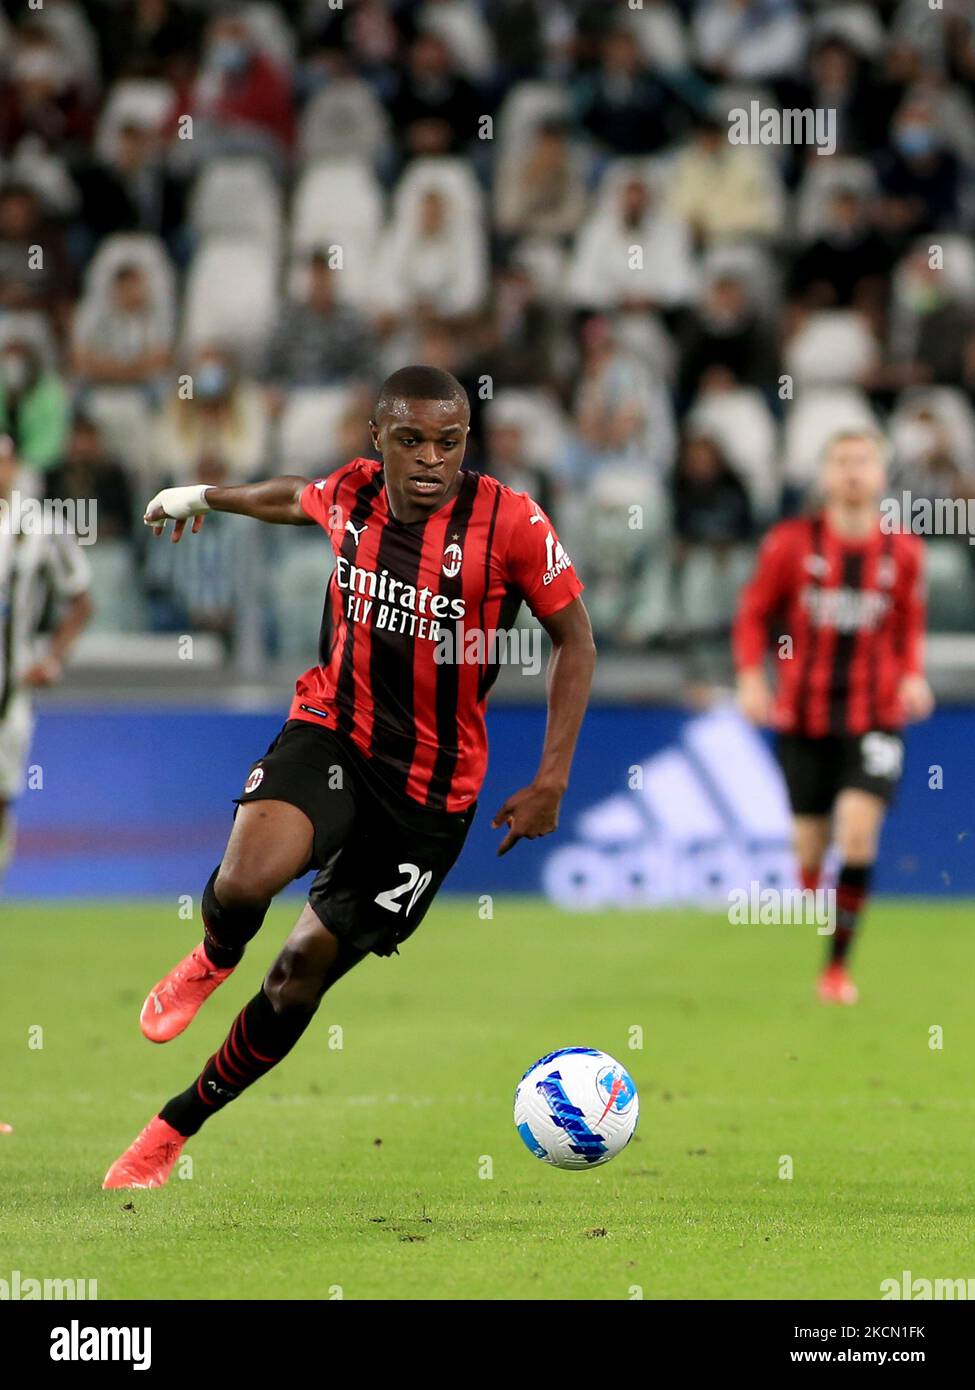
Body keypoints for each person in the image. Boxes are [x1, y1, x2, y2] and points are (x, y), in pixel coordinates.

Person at [103, 365, 596, 1189]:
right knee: (246, 877)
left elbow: (575, 641)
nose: (430, 459)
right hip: (335, 730)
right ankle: (212, 953)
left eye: (448, 442)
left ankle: (169, 1129)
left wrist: (551, 780)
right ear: (378, 439)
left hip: (429, 796)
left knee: (297, 978)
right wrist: (198, 496)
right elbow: (290, 496)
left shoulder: (511, 523)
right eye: (410, 440)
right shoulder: (351, 494)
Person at [733, 431, 933, 1004]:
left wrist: (912, 673)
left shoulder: (904, 552)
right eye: (841, 461)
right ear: (824, 475)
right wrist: (751, 677)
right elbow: (753, 616)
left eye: (863, 461)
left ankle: (836, 969)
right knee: (810, 847)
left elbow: (908, 622)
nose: (852, 472)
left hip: (875, 716)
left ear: (880, 474)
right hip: (803, 718)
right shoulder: (790, 545)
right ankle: (815, 888)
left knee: (858, 828)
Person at [0, 434, 93, 882]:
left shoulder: (38, 525)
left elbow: (81, 599)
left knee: (2, 791)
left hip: (11, 686)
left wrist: (52, 658)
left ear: (14, 466)